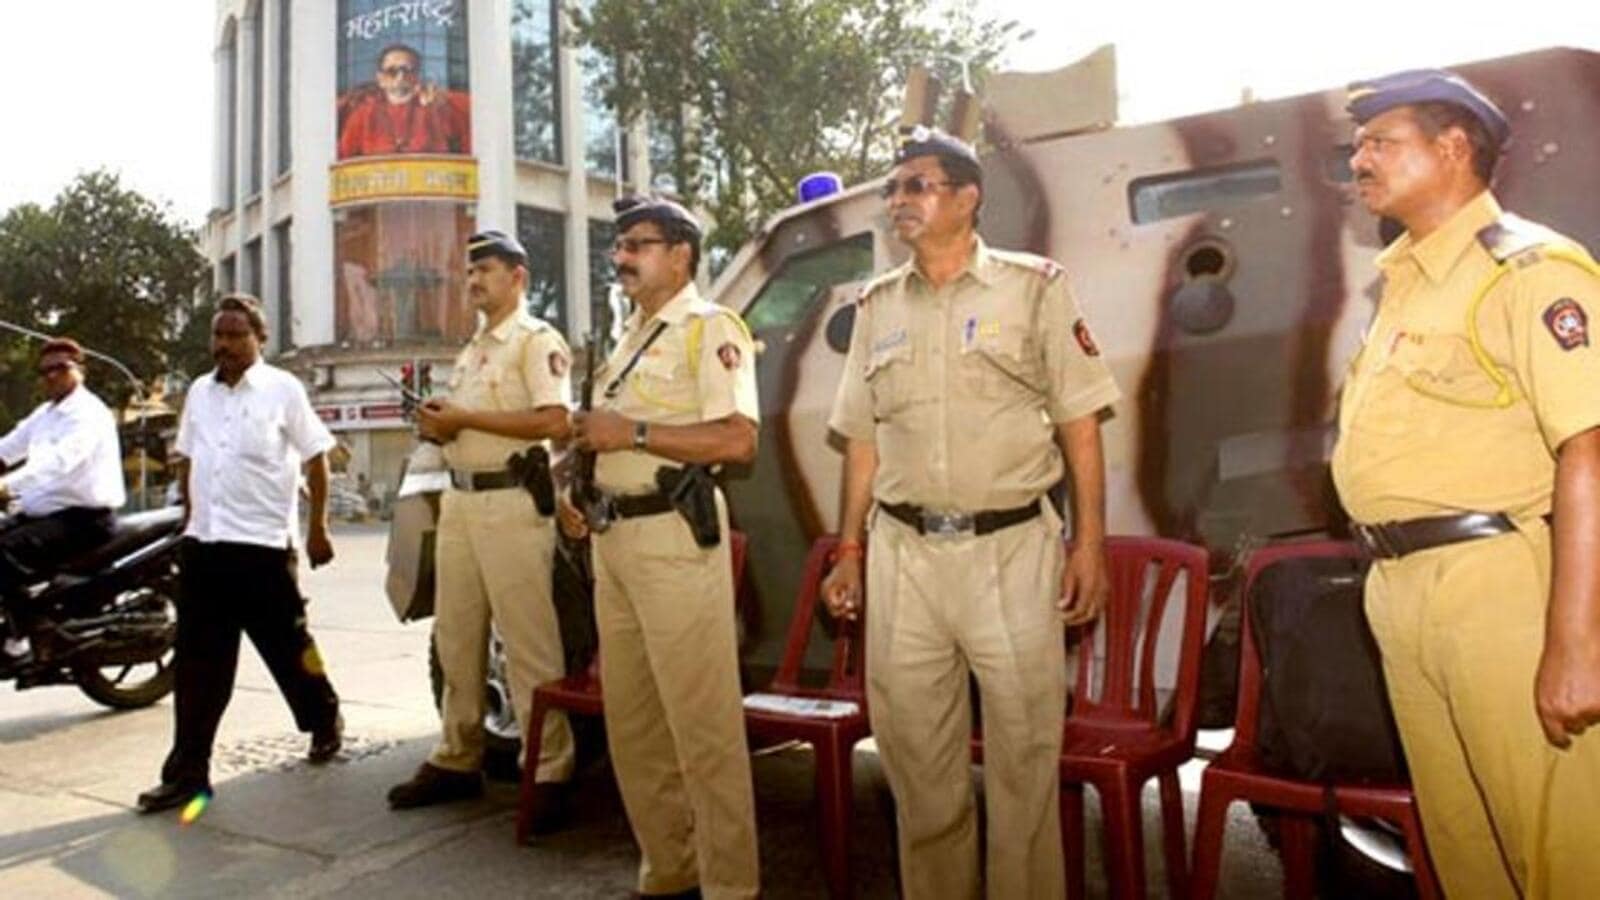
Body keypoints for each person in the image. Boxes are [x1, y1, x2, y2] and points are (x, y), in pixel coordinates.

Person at [821, 128, 1120, 899]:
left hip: (1011, 550)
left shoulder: (1036, 287)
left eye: (915, 186)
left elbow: (1079, 422)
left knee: (1024, 763)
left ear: (966, 196)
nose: (898, 203)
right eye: (892, 190)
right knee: (917, 764)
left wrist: (1091, 543)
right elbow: (861, 440)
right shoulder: (876, 305)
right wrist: (848, 550)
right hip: (905, 558)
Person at [1332, 69, 1600, 897]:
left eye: (1381, 142)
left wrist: (1576, 645)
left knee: (1560, 849)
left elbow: (1588, 452)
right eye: (1356, 145)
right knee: (1462, 846)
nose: (1359, 160)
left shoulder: (1529, 272)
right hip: (1402, 588)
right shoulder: (1406, 280)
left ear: (1453, 150)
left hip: (1494, 587)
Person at [560, 196, 761, 899]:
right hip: (615, 543)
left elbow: (738, 439)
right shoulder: (629, 336)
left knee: (702, 727)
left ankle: (731, 887)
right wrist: (577, 477)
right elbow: (605, 432)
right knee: (635, 726)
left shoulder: (709, 328)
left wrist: (633, 436)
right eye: (618, 246)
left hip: (675, 541)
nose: (622, 257)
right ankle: (670, 870)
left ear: (680, 253)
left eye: (637, 244)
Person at [386, 230, 577, 827]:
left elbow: (556, 420)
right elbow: (467, 425)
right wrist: (440, 425)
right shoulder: (471, 350)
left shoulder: (534, 341)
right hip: (462, 502)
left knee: (527, 643)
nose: (473, 282)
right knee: (457, 637)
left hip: (513, 501)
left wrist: (465, 417)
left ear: (517, 277)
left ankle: (549, 768)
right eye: (469, 273)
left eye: (485, 271)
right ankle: (456, 756)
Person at [137, 295, 343, 814]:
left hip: (264, 548)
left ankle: (323, 716)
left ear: (259, 339)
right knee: (199, 667)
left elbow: (318, 460)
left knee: (291, 649)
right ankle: (188, 774)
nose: (223, 344)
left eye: (234, 334)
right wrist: (188, 512)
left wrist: (318, 528)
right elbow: (187, 455)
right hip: (206, 546)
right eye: (218, 335)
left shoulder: (283, 389)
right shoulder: (201, 395)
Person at [0, 338, 125, 669]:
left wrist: (6, 485)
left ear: (79, 370)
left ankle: (27, 633)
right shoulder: (44, 414)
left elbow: (58, 462)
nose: (51, 376)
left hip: (84, 519)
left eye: (60, 368)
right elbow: (8, 448)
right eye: (44, 371)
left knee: (4, 552)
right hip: (43, 516)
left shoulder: (88, 414)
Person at [336, 43, 471, 159]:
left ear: (417, 75)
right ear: (380, 79)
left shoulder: (438, 107)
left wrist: (441, 105)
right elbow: (343, 158)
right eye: (392, 71)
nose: (400, 77)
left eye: (406, 70)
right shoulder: (363, 114)